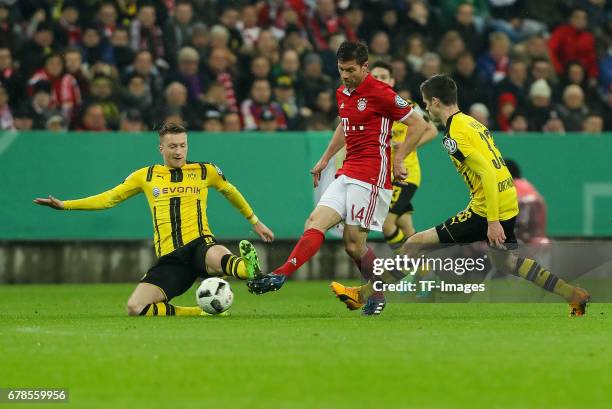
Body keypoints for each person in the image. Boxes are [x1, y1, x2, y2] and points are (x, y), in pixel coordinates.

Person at [330, 75, 591, 317]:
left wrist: (491, 221)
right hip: (506, 201)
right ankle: (572, 294)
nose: (427, 110)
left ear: (435, 101)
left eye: (425, 104)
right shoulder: (471, 122)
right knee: (506, 262)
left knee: (415, 243)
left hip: (487, 209)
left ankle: (363, 295)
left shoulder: (453, 134)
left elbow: (487, 172)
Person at [246, 41, 429, 316]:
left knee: (353, 245)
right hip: (348, 171)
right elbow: (344, 126)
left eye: (350, 69)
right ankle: (280, 275)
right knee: (314, 222)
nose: (345, 75)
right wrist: (324, 159)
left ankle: (377, 293)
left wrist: (400, 158)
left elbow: (420, 124)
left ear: (365, 67)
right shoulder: (343, 92)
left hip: (371, 176)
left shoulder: (383, 93)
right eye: (341, 69)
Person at [34, 122, 274, 316]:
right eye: (172, 146)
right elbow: (109, 198)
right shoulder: (146, 176)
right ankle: (198, 312)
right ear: (161, 148)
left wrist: (254, 221)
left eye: (182, 145)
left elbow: (230, 191)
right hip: (171, 259)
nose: (178, 151)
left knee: (216, 253)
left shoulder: (204, 171)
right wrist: (65, 205)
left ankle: (249, 271)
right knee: (135, 307)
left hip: (200, 244)